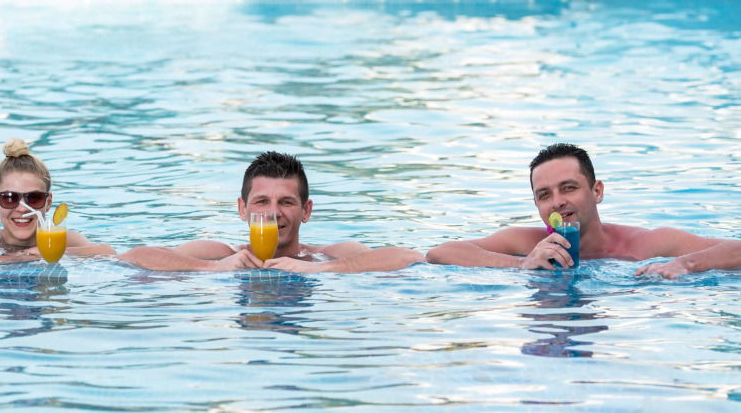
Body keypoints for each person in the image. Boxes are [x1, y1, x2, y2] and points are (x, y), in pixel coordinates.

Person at [425, 143, 741, 278]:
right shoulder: (526, 244)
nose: (557, 202)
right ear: (537, 204)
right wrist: (521, 264)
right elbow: (440, 253)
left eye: (568, 188)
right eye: (544, 194)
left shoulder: (646, 245)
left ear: (597, 191)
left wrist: (685, 264)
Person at [117, 151, 423, 272]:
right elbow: (132, 257)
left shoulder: (326, 256)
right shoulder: (220, 255)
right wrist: (212, 269)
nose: (273, 212)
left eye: (286, 202)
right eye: (262, 201)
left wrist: (319, 270)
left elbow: (409, 258)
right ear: (242, 209)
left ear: (306, 211)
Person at [0, 138, 114, 266]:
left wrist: (56, 253)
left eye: (34, 198)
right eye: (10, 198)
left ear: (48, 202)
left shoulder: (60, 239)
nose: (23, 209)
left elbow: (107, 252)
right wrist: (12, 259)